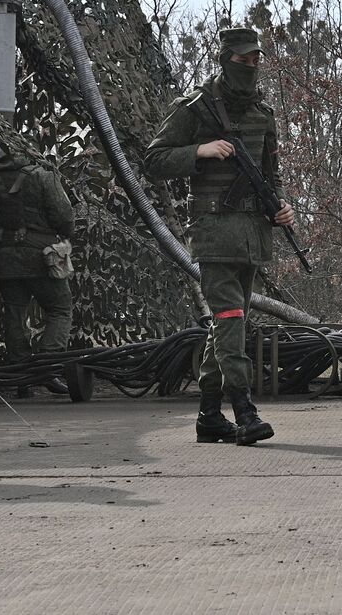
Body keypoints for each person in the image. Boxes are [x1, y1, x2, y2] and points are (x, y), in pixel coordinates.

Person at [144, 27, 295, 446]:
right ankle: (244, 410)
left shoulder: (263, 113)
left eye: (254, 61)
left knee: (229, 324)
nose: (249, 67)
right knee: (230, 320)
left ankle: (210, 415)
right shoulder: (194, 109)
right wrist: (200, 152)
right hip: (213, 232)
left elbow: (271, 175)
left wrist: (280, 206)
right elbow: (153, 160)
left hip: (251, 235)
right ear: (225, 58)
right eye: (242, 60)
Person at [0, 147, 75, 395]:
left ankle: (22, 377)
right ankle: (47, 367)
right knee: (60, 308)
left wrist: (4, 243)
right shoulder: (43, 176)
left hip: (7, 260)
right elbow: (64, 216)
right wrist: (61, 235)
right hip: (43, 257)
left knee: (15, 314)